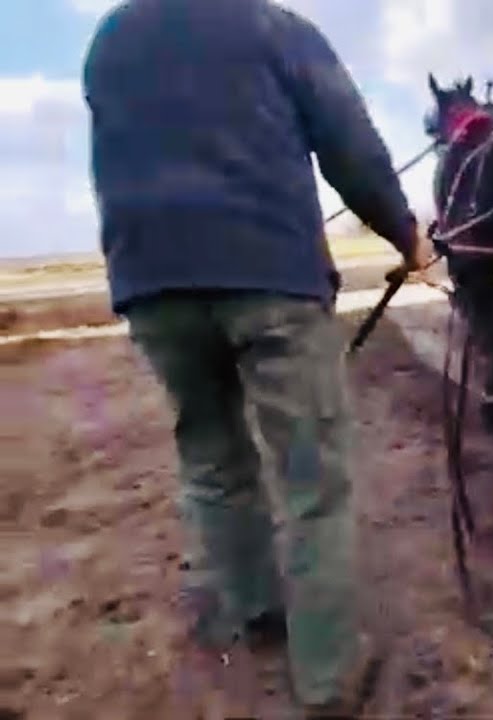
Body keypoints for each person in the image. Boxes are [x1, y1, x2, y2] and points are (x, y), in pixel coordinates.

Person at [82, 0, 429, 715]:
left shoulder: (110, 37)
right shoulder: (276, 29)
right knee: (312, 478)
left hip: (152, 285)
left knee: (212, 461)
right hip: (271, 278)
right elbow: (351, 148)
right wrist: (405, 236)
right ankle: (328, 677)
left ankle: (256, 613)